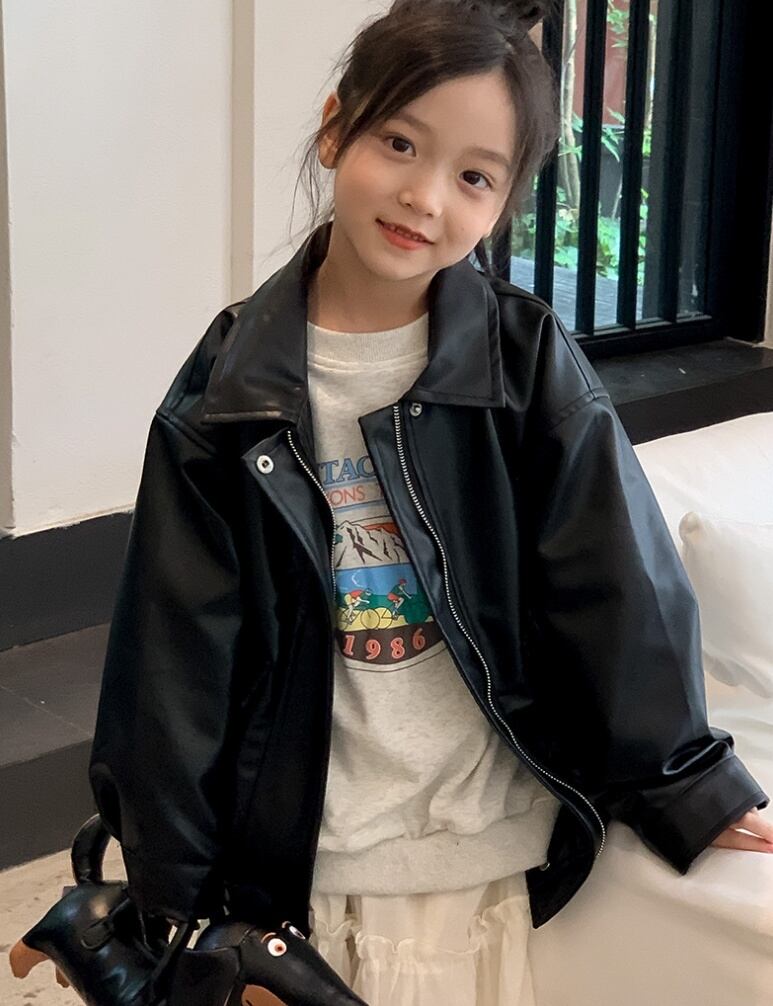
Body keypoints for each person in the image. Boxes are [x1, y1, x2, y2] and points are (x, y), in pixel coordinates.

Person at [16, 1, 773, 1004]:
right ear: (337, 129)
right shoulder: (229, 390)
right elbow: (173, 659)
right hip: (306, 852)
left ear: (504, 203)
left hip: (473, 848)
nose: (424, 195)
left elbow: (614, 586)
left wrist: (687, 783)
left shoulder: (523, 364)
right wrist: (174, 891)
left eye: (473, 176)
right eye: (399, 144)